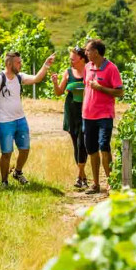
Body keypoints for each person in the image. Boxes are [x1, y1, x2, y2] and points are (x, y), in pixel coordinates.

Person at [0, 50, 55, 186]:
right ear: (9, 63)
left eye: (20, 62)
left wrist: (46, 65)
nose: (21, 65)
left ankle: (17, 172)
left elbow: (36, 79)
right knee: (7, 153)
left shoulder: (20, 77)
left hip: (20, 119)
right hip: (4, 122)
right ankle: (4, 182)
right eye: (18, 63)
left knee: (25, 149)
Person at [82, 38, 123, 194]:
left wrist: (100, 88)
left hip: (104, 115)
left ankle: (111, 183)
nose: (85, 53)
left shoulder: (111, 68)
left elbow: (120, 92)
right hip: (88, 116)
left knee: (104, 147)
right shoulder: (87, 67)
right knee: (91, 150)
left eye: (88, 50)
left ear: (96, 52)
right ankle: (96, 184)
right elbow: (87, 89)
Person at [51, 47, 89, 189]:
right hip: (71, 112)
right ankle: (82, 177)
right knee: (76, 143)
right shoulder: (67, 72)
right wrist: (55, 83)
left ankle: (80, 176)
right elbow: (59, 92)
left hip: (86, 111)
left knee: (82, 143)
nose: (70, 61)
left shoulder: (90, 71)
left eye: (73, 58)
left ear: (82, 59)